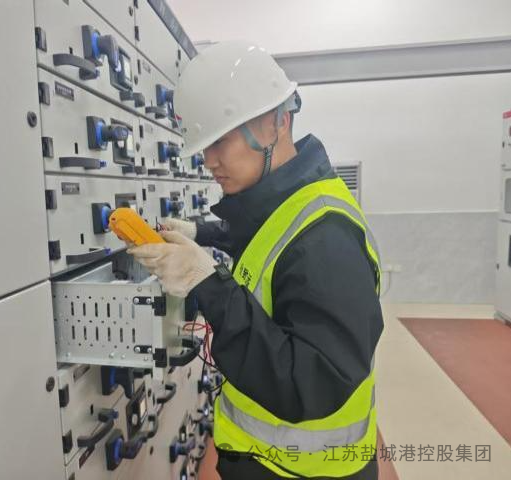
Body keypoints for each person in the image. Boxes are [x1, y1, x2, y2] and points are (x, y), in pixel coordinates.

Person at [127, 41, 384, 479]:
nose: (209, 161)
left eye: (220, 141)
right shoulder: (291, 201)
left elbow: (311, 384)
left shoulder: (328, 239)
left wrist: (207, 283)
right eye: (203, 146)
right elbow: (267, 239)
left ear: (276, 122)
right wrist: (200, 234)